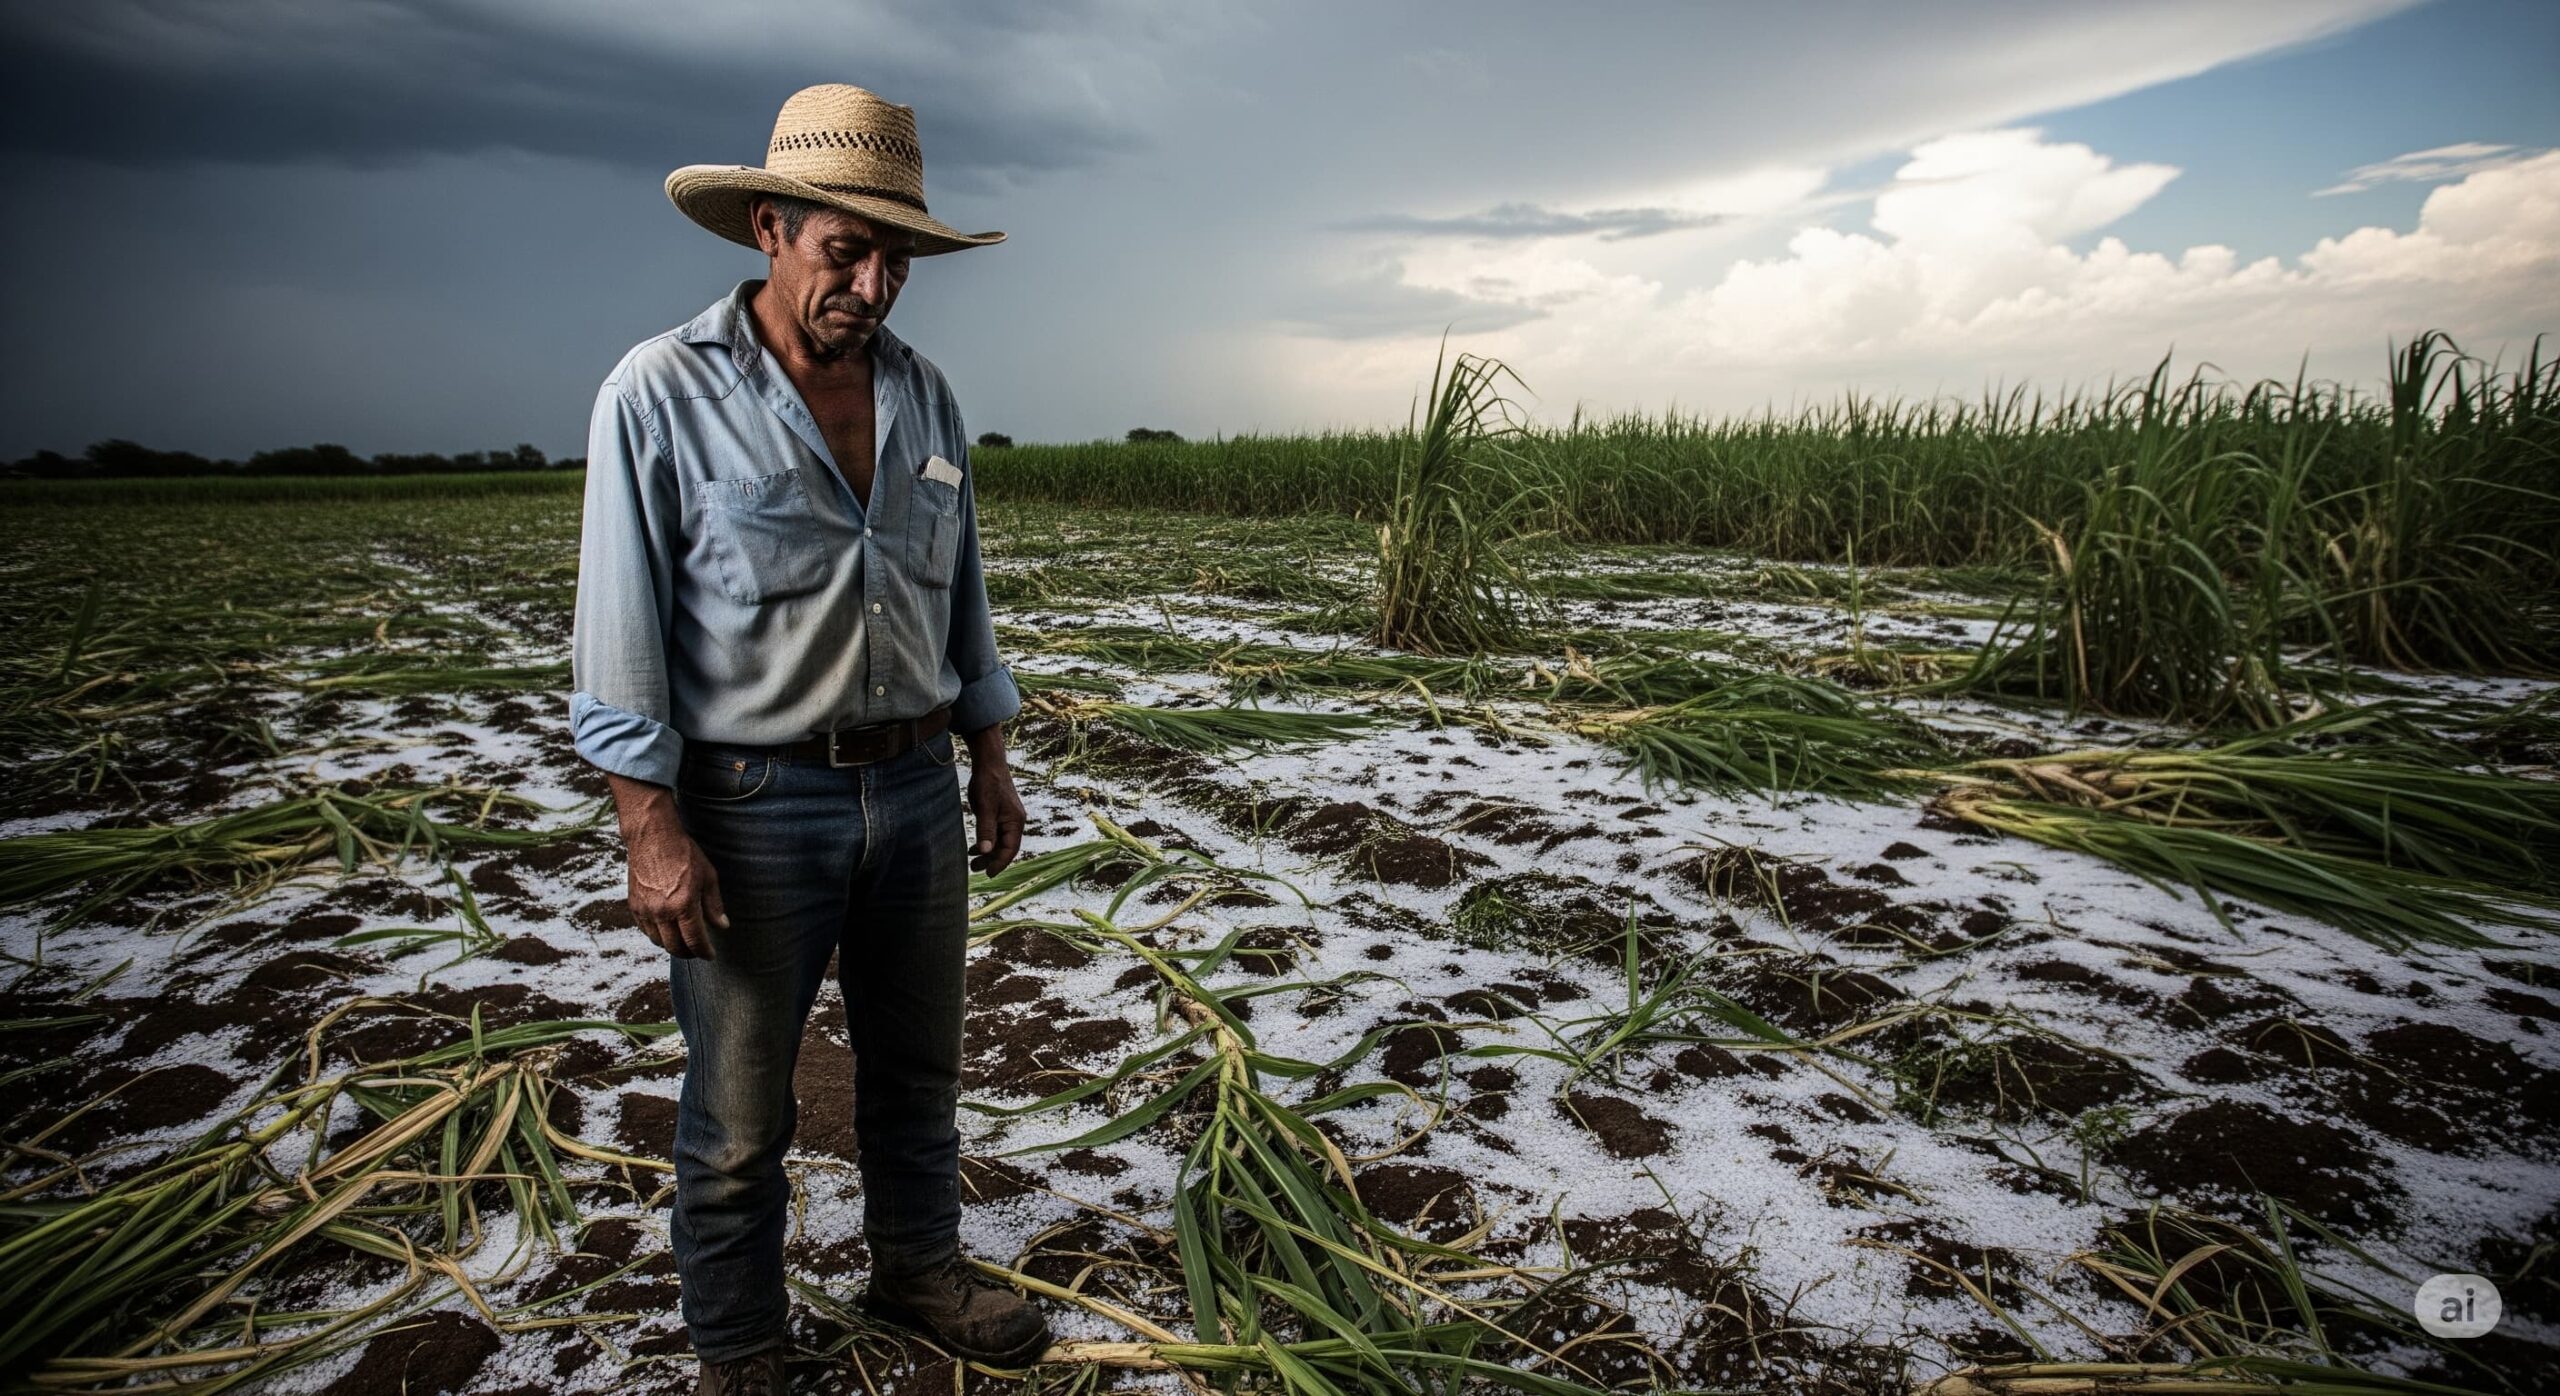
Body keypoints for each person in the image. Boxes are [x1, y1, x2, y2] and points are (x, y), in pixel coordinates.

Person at [569, 83, 1045, 1392]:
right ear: (770, 229)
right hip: (750, 802)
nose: (876, 284)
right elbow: (620, 632)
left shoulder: (925, 398)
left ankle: (917, 1266)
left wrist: (989, 750)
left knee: (918, 1069)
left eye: (897, 259)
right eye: (848, 251)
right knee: (737, 1116)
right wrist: (650, 829)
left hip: (913, 793)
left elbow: (962, 590)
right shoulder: (659, 395)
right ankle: (741, 1348)